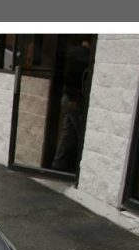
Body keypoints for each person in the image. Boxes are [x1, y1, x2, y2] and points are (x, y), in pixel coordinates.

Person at [51, 39, 92, 173]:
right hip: (75, 100)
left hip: (70, 98)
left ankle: (58, 164)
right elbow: (72, 78)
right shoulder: (82, 55)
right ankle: (80, 169)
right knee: (81, 133)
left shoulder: (74, 53)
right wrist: (74, 98)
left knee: (69, 133)